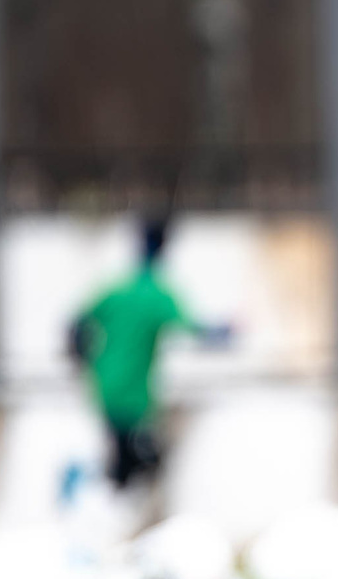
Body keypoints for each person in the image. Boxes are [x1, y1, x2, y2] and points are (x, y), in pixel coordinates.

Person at [68, 216, 230, 511]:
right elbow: (195, 329)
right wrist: (227, 331)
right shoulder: (157, 295)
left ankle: (106, 500)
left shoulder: (117, 289)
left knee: (125, 458)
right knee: (141, 463)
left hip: (105, 386)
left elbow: (77, 323)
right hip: (134, 396)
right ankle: (101, 505)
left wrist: (85, 362)